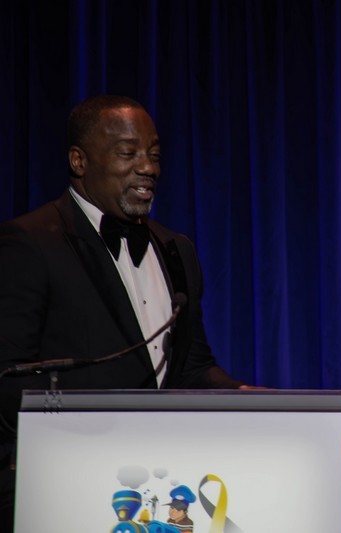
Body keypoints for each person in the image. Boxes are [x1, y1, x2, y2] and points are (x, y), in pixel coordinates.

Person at [0, 95, 254, 530]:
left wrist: (246, 397)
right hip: (61, 490)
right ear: (79, 161)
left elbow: (191, 367)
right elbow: (8, 378)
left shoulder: (176, 250)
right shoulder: (29, 243)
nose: (148, 167)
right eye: (128, 153)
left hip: (157, 490)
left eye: (154, 155)